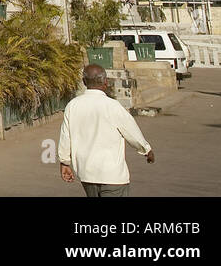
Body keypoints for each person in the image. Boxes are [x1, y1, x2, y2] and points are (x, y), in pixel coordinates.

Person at [58, 64, 155, 197]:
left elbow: (65, 137)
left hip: (87, 174)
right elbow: (131, 131)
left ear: (84, 82)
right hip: (112, 175)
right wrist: (146, 149)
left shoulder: (73, 106)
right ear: (105, 82)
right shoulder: (113, 106)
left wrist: (64, 162)